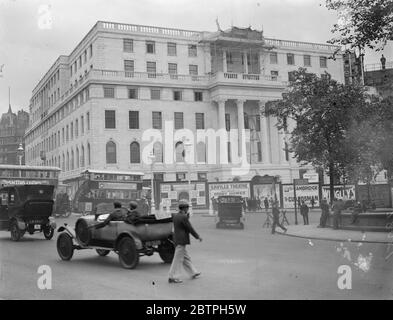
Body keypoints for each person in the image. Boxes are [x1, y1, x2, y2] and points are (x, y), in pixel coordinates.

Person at [168, 200, 202, 284]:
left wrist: (187, 217)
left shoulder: (176, 216)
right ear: (185, 208)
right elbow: (189, 228)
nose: (188, 209)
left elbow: (181, 224)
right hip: (181, 240)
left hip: (177, 239)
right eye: (187, 208)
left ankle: (193, 272)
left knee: (185, 258)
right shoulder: (183, 217)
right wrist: (198, 237)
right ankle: (172, 277)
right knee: (178, 259)